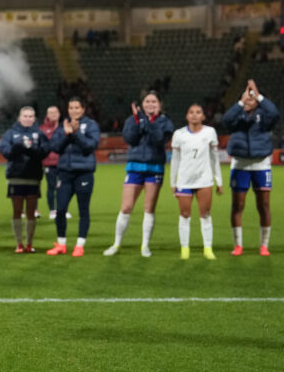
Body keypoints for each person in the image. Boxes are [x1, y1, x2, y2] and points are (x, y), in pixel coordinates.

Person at [103, 92, 174, 257]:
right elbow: (130, 138)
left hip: (154, 167)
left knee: (149, 209)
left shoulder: (165, 122)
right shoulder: (132, 119)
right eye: (147, 101)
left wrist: (148, 122)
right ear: (142, 104)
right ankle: (116, 244)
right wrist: (137, 121)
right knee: (126, 207)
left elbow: (158, 140)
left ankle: (145, 246)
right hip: (134, 167)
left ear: (160, 104)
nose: (150, 104)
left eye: (154, 101)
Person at [223, 79, 279, 256]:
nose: (248, 101)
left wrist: (258, 94)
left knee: (263, 205)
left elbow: (275, 113)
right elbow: (226, 119)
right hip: (240, 165)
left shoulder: (265, 118)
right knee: (238, 205)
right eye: (246, 99)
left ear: (258, 102)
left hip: (261, 164)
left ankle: (264, 245)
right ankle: (238, 245)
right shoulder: (236, 117)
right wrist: (240, 102)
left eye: (251, 99)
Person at [46, 97, 101, 256]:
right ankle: (61, 244)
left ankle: (79, 245)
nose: (74, 111)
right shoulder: (63, 125)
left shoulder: (91, 125)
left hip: (84, 173)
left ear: (83, 109)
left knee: (83, 210)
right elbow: (55, 147)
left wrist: (76, 133)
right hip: (65, 173)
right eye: (71, 108)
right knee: (60, 209)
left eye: (77, 108)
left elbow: (90, 147)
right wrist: (67, 134)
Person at [170, 104, 221, 259]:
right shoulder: (179, 134)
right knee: (185, 214)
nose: (194, 115)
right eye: (191, 112)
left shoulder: (210, 132)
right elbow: (175, 160)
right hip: (184, 181)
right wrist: (173, 182)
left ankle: (208, 248)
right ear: (187, 116)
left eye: (198, 112)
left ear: (203, 117)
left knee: (205, 214)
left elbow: (214, 158)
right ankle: (185, 249)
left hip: (204, 180)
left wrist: (218, 180)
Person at [0, 106, 49, 253]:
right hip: (16, 177)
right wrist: (18, 147)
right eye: (25, 116)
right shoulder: (11, 133)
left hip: (33, 178)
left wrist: (32, 150)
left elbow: (44, 151)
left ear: (34, 119)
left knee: (31, 212)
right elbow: (5, 151)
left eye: (30, 116)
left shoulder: (39, 134)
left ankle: (29, 243)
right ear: (19, 118)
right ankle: (19, 243)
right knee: (16, 211)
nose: (27, 119)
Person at [39, 105, 62, 220]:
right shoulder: (42, 129)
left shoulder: (63, 127)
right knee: (51, 186)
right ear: (47, 115)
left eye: (55, 112)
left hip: (63, 162)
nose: (53, 114)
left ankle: (62, 209)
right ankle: (53, 210)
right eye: (50, 112)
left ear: (59, 114)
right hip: (49, 163)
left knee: (63, 187)